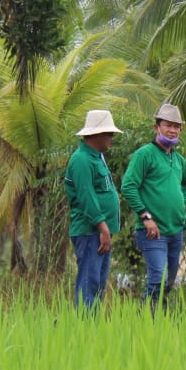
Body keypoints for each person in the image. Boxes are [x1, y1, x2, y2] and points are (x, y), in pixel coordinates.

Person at [121, 103, 186, 310]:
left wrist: (181, 198)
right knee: (158, 278)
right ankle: (146, 320)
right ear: (157, 127)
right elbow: (128, 186)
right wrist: (146, 217)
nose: (172, 130)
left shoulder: (178, 159)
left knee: (169, 281)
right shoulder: (144, 154)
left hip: (176, 230)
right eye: (168, 125)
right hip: (153, 232)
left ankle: (157, 320)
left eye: (176, 126)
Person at [65, 109, 123, 309]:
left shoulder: (96, 157)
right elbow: (86, 197)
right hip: (91, 232)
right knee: (89, 285)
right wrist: (103, 228)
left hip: (99, 232)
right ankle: (83, 328)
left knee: (97, 285)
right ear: (95, 134)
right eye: (109, 134)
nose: (111, 138)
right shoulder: (81, 160)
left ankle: (91, 330)